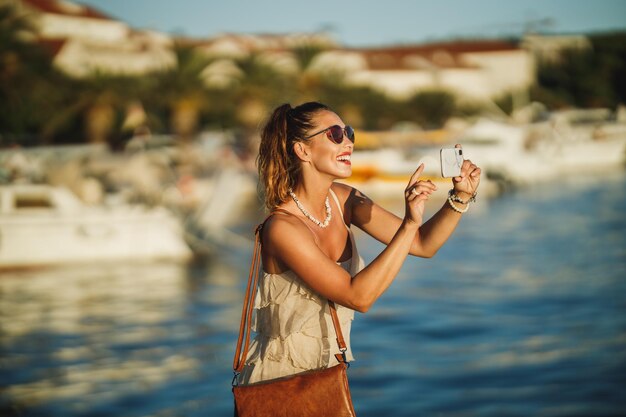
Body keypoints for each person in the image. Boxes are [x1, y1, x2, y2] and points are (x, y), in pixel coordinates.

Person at [238, 101, 481, 385]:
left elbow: (422, 245)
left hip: (328, 379)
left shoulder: (343, 200)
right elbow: (358, 297)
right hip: (279, 386)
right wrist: (409, 223)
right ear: (302, 150)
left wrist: (460, 197)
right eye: (335, 135)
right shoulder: (282, 228)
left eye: (349, 133)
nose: (348, 143)